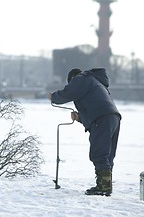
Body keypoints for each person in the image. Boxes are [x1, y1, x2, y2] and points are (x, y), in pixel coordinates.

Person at [48, 68, 121, 196]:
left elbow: (68, 92)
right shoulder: (95, 83)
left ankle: (104, 187)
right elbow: (95, 106)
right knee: (107, 155)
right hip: (113, 118)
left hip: (102, 118)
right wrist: (79, 118)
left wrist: (54, 97)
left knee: (98, 153)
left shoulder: (81, 78)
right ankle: (105, 185)